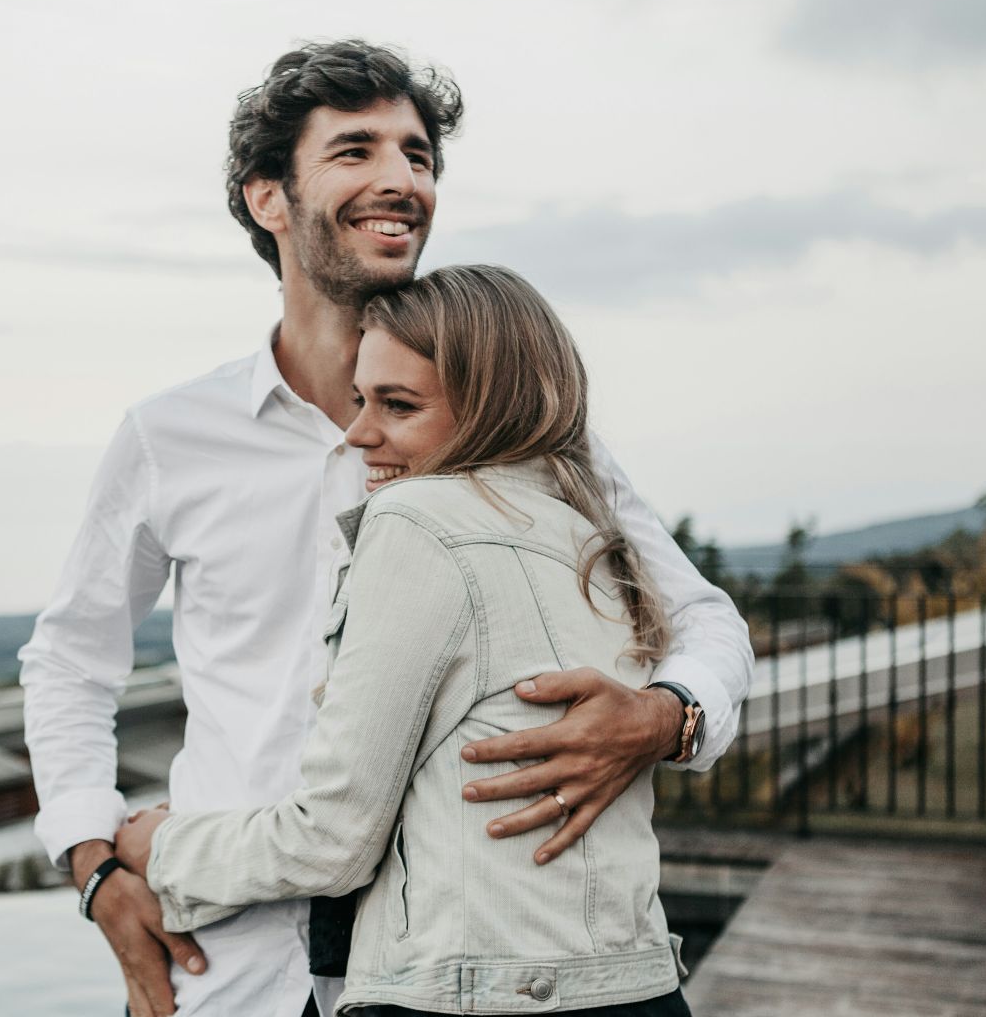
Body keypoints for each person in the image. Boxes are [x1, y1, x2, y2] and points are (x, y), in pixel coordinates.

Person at [19, 41, 752, 1017]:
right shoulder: (169, 437)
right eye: (357, 150)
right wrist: (94, 866)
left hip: (461, 975)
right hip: (229, 960)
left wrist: (668, 718)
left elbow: (702, 619)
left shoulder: (529, 432)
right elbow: (71, 661)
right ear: (267, 198)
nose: (401, 180)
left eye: (418, 156)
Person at [111, 264, 695, 1016]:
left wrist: (159, 847)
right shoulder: (594, 537)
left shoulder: (417, 521)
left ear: (491, 408)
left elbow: (332, 837)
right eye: (360, 399)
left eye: (399, 405)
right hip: (636, 984)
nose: (359, 435)